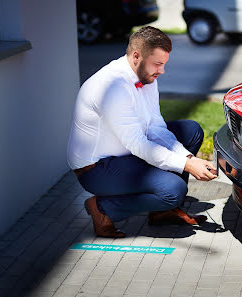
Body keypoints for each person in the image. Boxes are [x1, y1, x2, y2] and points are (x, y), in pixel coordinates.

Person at [67, 26, 217, 238]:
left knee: (191, 131)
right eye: (157, 64)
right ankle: (103, 209)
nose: (162, 71)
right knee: (173, 190)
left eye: (164, 64)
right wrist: (187, 165)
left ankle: (162, 210)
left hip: (126, 152)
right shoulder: (112, 87)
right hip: (97, 168)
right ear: (136, 56)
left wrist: (187, 157)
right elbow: (138, 144)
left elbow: (155, 127)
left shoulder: (145, 76)